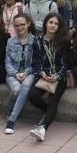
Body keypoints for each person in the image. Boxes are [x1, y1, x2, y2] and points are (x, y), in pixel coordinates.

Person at [28, 13, 70, 142]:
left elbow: (67, 63)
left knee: (53, 101)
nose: (53, 25)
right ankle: (50, 113)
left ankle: (43, 128)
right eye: (51, 22)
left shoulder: (62, 42)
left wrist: (57, 76)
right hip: (44, 76)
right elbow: (34, 63)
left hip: (59, 77)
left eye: (56, 24)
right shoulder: (37, 41)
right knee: (32, 96)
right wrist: (42, 73)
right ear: (46, 23)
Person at [4, 13, 36, 134]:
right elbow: (7, 62)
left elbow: (36, 63)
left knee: (26, 85)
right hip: (13, 74)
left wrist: (26, 73)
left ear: (28, 24)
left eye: (22, 24)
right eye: (16, 25)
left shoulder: (36, 41)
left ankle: (11, 120)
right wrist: (16, 73)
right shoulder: (10, 42)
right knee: (16, 89)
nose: (19, 28)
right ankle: (11, 110)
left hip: (30, 72)